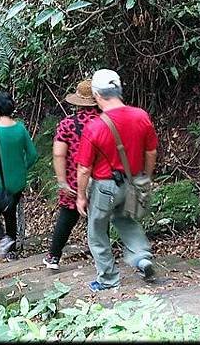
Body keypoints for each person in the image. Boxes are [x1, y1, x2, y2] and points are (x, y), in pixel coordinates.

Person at [75, 69, 158, 292]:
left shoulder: (95, 126)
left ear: (96, 95)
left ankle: (108, 279)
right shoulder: (141, 116)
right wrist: (145, 177)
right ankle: (141, 257)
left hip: (104, 187)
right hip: (132, 181)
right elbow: (151, 151)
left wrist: (81, 196)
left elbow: (84, 168)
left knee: (97, 231)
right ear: (119, 91)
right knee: (127, 220)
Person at [43, 79, 101, 270]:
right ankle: (100, 256)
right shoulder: (106, 121)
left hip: (74, 178)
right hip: (102, 178)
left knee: (67, 218)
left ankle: (53, 257)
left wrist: (61, 182)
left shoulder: (68, 124)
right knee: (99, 218)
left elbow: (59, 153)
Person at [0, 92, 37, 261]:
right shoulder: (20, 128)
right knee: (10, 212)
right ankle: (11, 251)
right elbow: (33, 155)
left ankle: (4, 238)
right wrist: (21, 168)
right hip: (18, 182)